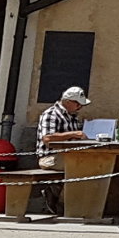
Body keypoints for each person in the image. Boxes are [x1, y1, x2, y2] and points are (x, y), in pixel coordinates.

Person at [34, 84, 91, 215]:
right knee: (80, 166)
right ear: (68, 101)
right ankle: (62, 203)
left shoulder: (73, 117)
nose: (80, 107)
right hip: (49, 158)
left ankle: (60, 197)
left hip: (70, 155)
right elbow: (47, 138)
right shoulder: (51, 114)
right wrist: (73, 134)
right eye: (78, 104)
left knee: (90, 165)